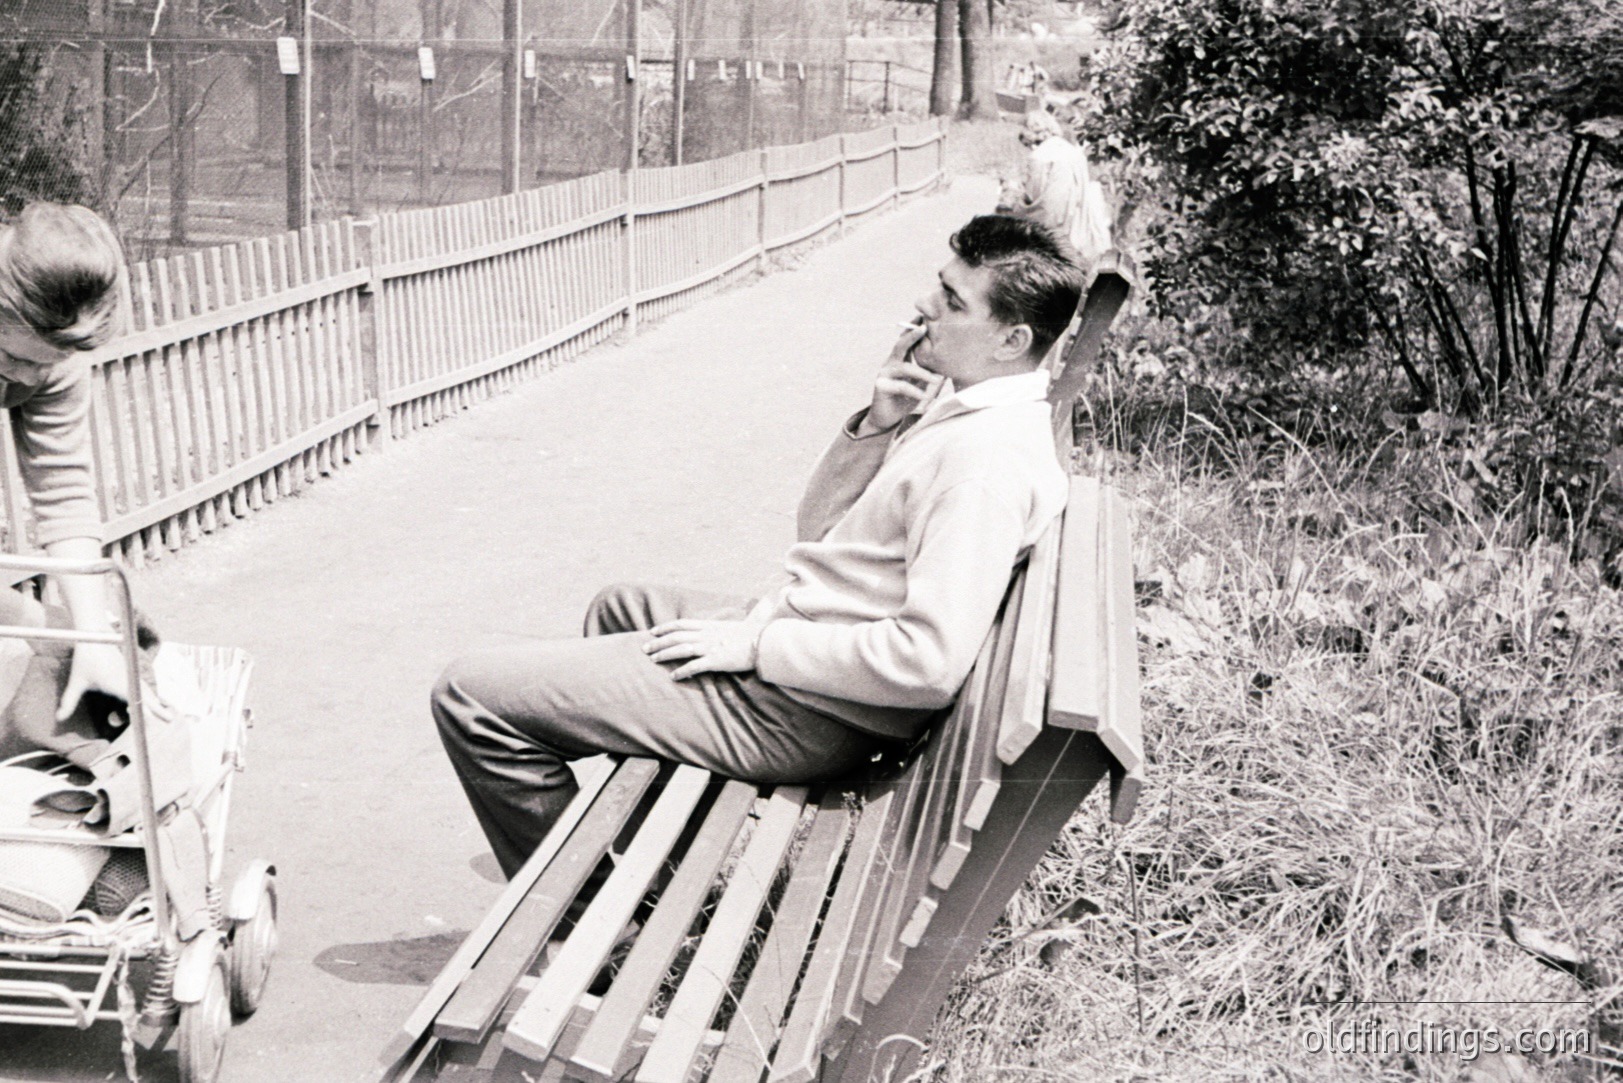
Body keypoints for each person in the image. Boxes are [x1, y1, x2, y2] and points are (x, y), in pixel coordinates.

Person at [433, 215, 1084, 879]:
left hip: (813, 711)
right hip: (819, 667)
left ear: (1011, 339)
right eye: (938, 288)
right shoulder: (972, 412)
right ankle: (653, 871)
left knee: (470, 696)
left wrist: (755, 646)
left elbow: (927, 662)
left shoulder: (982, 462)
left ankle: (585, 929)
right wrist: (876, 425)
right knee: (621, 608)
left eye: (951, 301)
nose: (926, 306)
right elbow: (824, 536)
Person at [0, 202, 130, 719]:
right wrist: (43, 624)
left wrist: (91, 636)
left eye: (47, 364)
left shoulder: (54, 355)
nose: (30, 380)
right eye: (16, 360)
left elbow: (63, 489)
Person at [1000, 110, 1113, 265]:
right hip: (1078, 227)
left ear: (1029, 132)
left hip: (1052, 228)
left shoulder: (1040, 157)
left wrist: (1014, 197)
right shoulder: (1073, 152)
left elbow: (1034, 198)